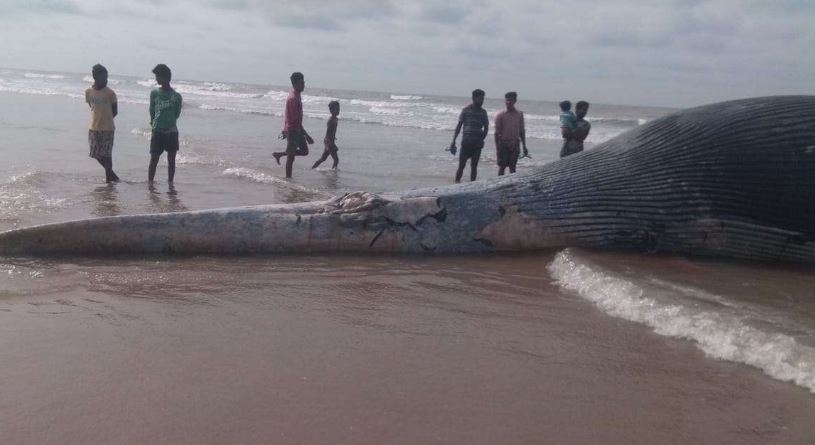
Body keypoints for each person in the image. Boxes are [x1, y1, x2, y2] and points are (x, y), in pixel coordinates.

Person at [273, 72, 314, 178]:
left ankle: (280, 154)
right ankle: (288, 180)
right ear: (295, 84)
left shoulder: (298, 95)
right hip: (292, 130)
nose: (304, 85)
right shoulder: (293, 99)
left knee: (305, 151)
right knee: (291, 157)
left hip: (297, 129)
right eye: (301, 83)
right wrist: (306, 135)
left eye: (304, 82)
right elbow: (295, 120)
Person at [147, 64, 183, 183]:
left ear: (165, 77)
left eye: (158, 76)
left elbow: (177, 114)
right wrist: (154, 124)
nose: (156, 79)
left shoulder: (176, 96)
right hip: (157, 130)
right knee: (154, 159)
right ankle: (150, 184)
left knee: (171, 160)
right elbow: (151, 110)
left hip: (171, 131)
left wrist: (168, 120)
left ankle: (170, 184)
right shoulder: (155, 94)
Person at [85, 64, 119, 183]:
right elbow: (92, 107)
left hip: (108, 128)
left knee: (107, 155)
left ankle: (109, 181)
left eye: (107, 77)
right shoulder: (88, 92)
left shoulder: (110, 93)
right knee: (95, 154)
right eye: (103, 77)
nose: (106, 80)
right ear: (95, 77)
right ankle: (113, 176)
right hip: (93, 128)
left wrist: (106, 120)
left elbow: (115, 111)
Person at [450, 89, 489, 182]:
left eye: (483, 99)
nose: (482, 101)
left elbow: (486, 128)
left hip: (477, 145)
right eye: (480, 99)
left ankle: (472, 186)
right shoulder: (466, 110)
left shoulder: (483, 112)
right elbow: (459, 126)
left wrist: (481, 139)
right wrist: (453, 141)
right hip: (466, 143)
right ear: (473, 98)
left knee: (474, 166)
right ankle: (456, 184)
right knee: (461, 166)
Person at [493, 91, 528, 176]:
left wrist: (524, 146)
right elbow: (496, 134)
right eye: (507, 100)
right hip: (503, 144)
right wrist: (498, 151)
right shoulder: (500, 115)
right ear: (505, 101)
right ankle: (498, 186)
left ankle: (512, 186)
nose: (508, 102)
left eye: (510, 100)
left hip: (515, 144)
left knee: (513, 167)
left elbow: (522, 131)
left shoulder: (519, 114)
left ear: (515, 101)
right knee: (502, 167)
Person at [312, 101, 340, 169]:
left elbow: (332, 131)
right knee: (336, 160)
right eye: (336, 109)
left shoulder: (335, 119)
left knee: (323, 159)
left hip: (330, 141)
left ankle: (312, 168)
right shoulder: (331, 120)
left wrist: (333, 136)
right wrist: (328, 144)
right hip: (329, 142)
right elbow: (328, 133)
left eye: (339, 109)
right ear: (331, 110)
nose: (338, 111)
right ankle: (334, 173)